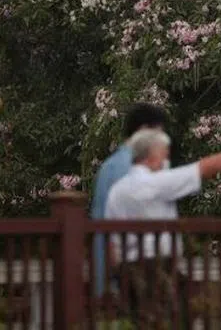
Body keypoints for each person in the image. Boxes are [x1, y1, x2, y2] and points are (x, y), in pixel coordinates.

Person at [104, 128, 221, 326]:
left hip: (127, 272)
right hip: (157, 268)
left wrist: (117, 277)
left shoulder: (116, 191)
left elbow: (111, 242)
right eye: (164, 153)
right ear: (152, 156)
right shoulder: (155, 182)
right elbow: (204, 169)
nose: (166, 160)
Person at [89, 103, 170, 298]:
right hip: (135, 269)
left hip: (109, 269)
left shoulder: (108, 167)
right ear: (143, 132)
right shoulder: (138, 168)